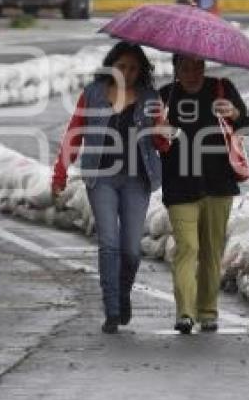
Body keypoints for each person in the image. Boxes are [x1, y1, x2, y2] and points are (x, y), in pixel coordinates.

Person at [51, 42, 171, 334]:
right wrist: (60, 173)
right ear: (111, 66)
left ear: (141, 70)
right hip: (101, 177)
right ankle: (112, 310)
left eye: (133, 68)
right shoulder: (93, 94)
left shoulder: (149, 97)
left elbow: (162, 144)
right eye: (121, 67)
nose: (127, 73)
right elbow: (74, 132)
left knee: (130, 250)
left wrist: (162, 132)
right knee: (109, 244)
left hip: (136, 180)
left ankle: (123, 292)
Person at [158, 55, 249, 334]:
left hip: (218, 183)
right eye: (185, 67)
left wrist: (235, 115)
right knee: (187, 248)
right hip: (179, 184)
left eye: (197, 66)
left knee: (212, 251)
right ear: (175, 69)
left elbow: (248, 125)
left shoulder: (222, 89)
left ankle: (208, 312)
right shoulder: (165, 97)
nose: (192, 73)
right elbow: (149, 137)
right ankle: (185, 313)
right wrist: (159, 129)